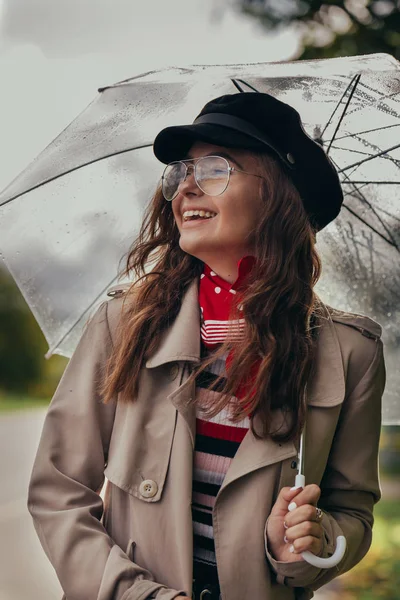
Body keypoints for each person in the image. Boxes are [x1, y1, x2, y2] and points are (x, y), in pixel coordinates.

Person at [27, 92, 386, 600]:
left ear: (279, 196)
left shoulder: (349, 352)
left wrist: (308, 542)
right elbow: (58, 492)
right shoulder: (125, 323)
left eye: (216, 169)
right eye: (180, 172)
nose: (186, 187)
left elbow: (353, 512)